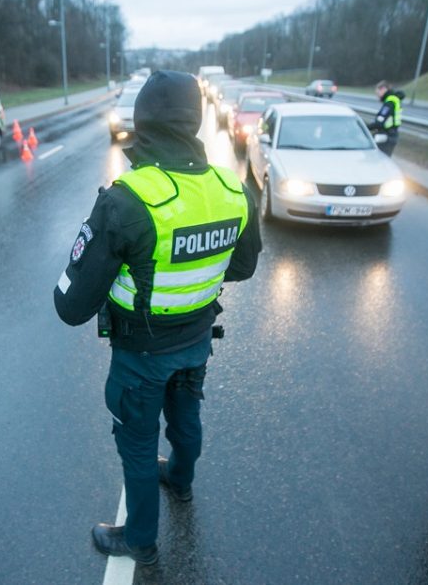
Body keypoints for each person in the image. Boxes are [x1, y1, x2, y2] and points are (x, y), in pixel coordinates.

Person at [53, 70, 262, 565]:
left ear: (140, 122)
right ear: (195, 120)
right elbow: (244, 266)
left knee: (139, 444)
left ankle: (141, 540)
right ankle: (183, 481)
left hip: (140, 354)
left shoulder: (128, 198)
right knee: (187, 416)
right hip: (195, 341)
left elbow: (71, 306)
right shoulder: (232, 190)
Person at [368, 80, 405, 156]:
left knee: (379, 159)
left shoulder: (390, 102)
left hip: (386, 135)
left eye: (378, 92)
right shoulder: (394, 99)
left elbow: (380, 122)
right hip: (392, 134)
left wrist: (366, 127)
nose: (377, 96)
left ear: (383, 89)